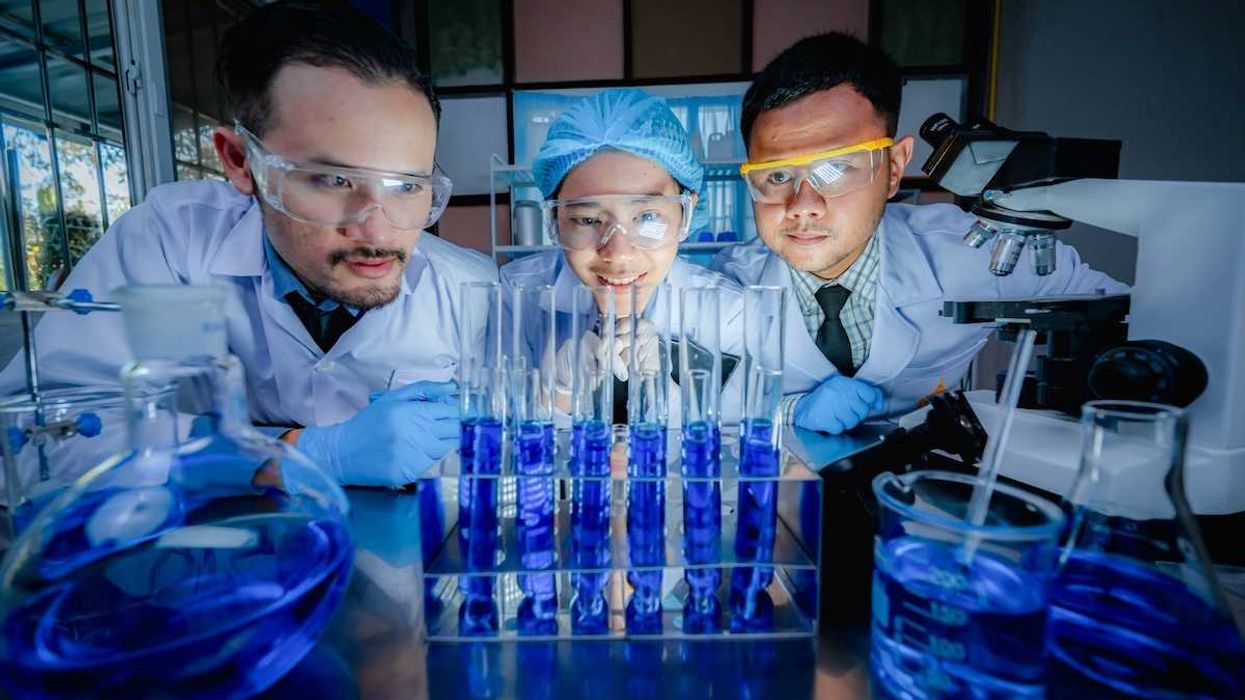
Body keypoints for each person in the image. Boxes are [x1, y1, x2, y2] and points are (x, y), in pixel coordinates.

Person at [0, 0, 496, 487]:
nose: (379, 232)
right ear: (240, 162)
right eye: (333, 180)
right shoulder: (172, 244)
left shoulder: (468, 288)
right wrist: (296, 454)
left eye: (407, 186)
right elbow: (33, 440)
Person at [714, 32, 1126, 434]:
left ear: (893, 168)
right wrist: (789, 412)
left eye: (836, 169)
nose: (802, 204)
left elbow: (1128, 318)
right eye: (778, 175)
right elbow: (695, 408)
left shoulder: (977, 253)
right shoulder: (731, 284)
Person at [500, 89, 744, 427]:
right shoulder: (515, 297)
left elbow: (733, 446)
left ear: (686, 214)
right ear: (554, 221)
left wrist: (667, 395)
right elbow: (495, 438)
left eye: (646, 217)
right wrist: (554, 396)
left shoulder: (726, 310)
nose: (617, 254)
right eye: (587, 220)